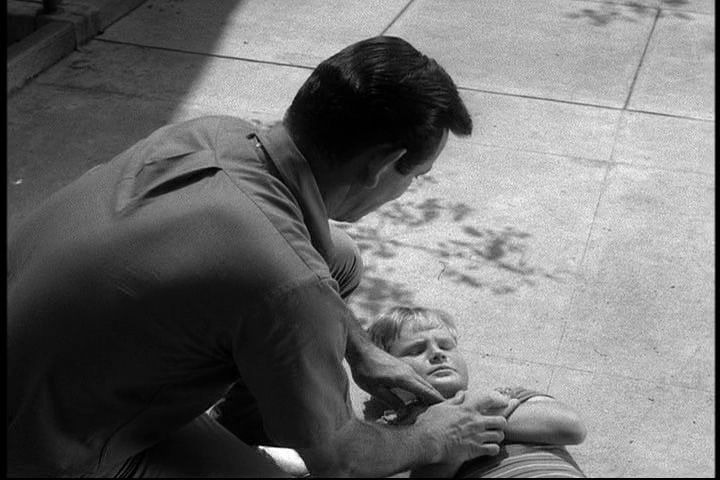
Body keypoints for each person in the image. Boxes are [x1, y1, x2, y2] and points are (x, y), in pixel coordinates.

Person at [8, 36, 511, 478]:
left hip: (47, 366)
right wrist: (435, 437)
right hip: (41, 451)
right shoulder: (288, 284)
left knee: (339, 258)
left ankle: (247, 427)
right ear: (381, 165)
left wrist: (360, 350)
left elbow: (297, 284)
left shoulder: (212, 133)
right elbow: (341, 461)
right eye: (415, 177)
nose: (407, 190)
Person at [366, 306, 588, 478]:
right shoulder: (391, 434)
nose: (437, 354)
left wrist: (461, 426)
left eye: (446, 346)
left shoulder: (507, 395)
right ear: (385, 370)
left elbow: (571, 427)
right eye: (416, 350)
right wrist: (447, 449)